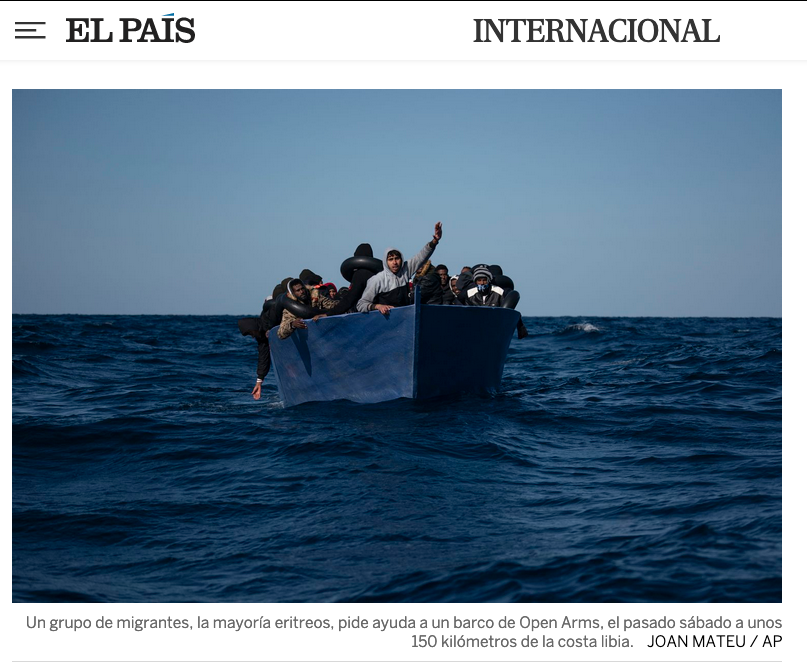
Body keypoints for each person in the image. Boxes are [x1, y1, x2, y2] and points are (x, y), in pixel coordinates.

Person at [357, 222, 443, 314]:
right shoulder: (377, 280)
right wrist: (377, 306)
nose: (394, 262)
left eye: (397, 258)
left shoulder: (405, 270)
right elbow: (361, 305)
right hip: (385, 322)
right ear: (386, 262)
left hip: (404, 320)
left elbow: (421, 257)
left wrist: (434, 241)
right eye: (390, 259)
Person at [313, 243, 378, 318]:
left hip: (367, 315)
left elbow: (350, 298)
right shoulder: (377, 274)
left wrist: (329, 314)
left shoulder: (360, 274)